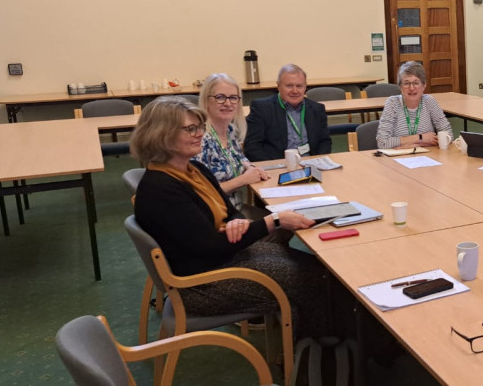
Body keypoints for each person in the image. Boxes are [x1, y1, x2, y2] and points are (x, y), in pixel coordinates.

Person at [131, 97, 333, 339]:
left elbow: (229, 211)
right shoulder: (161, 189)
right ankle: (322, 349)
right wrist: (275, 221)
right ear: (161, 135)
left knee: (319, 269)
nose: (200, 134)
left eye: (200, 126)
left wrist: (237, 221)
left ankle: (316, 341)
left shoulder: (195, 170)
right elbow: (211, 246)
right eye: (190, 129)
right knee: (313, 279)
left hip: (223, 260)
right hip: (202, 284)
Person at [194, 73, 269, 210]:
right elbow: (202, 194)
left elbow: (240, 158)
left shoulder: (230, 130)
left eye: (233, 98)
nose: (228, 103)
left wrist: (251, 168)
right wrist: (243, 180)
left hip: (236, 209)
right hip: (216, 215)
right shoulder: (199, 139)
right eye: (220, 97)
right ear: (206, 101)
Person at [244, 64, 332, 161]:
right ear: (278, 86)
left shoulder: (317, 109)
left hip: (310, 163)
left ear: (305, 87)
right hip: (278, 164)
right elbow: (252, 147)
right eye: (289, 86)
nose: (295, 91)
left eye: (299, 86)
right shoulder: (262, 108)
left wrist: (318, 161)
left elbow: (324, 142)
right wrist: (275, 166)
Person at [376, 61, 452, 149]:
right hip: (400, 156)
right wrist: (420, 138)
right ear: (400, 86)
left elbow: (448, 136)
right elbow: (382, 143)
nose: (411, 88)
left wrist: (411, 145)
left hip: (428, 156)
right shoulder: (393, 103)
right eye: (406, 83)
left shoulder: (429, 101)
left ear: (424, 85)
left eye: (416, 83)